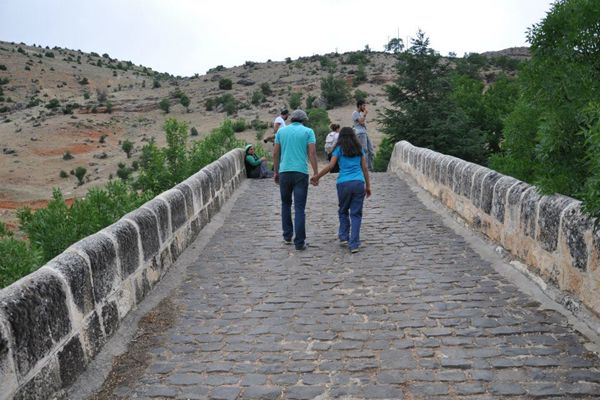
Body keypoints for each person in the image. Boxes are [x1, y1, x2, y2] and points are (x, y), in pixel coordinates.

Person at [311, 127, 371, 253]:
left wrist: (317, 176)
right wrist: (368, 186)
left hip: (343, 183)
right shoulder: (359, 149)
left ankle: (344, 237)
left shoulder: (339, 149)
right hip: (358, 183)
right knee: (356, 214)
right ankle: (354, 244)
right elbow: (365, 168)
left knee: (343, 210)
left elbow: (331, 166)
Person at [273, 109, 319, 250]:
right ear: (303, 120)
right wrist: (316, 173)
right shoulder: (308, 132)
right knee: (299, 208)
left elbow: (275, 153)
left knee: (285, 204)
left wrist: (276, 172)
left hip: (284, 172)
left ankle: (287, 236)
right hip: (300, 173)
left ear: (291, 119)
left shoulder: (281, 132)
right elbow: (312, 153)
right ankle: (299, 242)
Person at [352, 99, 374, 171]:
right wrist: (365, 114)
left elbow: (362, 123)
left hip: (364, 132)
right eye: (364, 105)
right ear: (359, 106)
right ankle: (365, 168)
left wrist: (363, 116)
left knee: (371, 150)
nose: (365, 107)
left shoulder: (360, 114)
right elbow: (361, 122)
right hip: (360, 133)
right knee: (364, 150)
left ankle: (370, 168)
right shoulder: (355, 113)